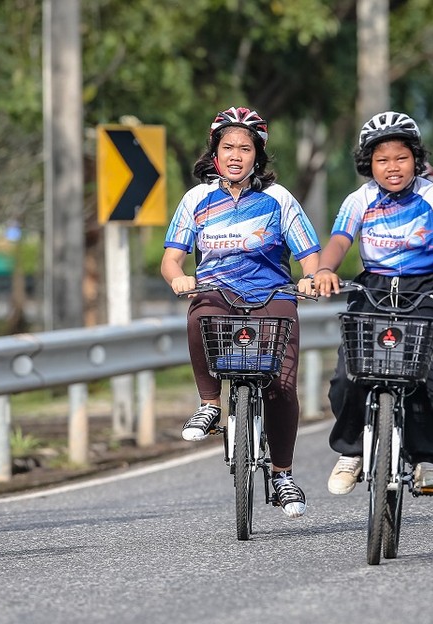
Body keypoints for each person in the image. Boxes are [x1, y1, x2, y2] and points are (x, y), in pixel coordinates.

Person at [161, 106, 321, 518]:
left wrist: (311, 277)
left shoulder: (278, 199)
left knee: (281, 384)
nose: (236, 155)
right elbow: (171, 259)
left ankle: (283, 475)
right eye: (228, 147)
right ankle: (210, 403)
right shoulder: (196, 199)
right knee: (199, 314)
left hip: (272, 295)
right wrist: (179, 277)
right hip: (217, 293)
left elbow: (309, 254)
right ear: (215, 153)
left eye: (245, 148)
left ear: (258, 155)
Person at [310, 111, 433, 495]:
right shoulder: (359, 199)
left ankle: (425, 460)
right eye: (382, 160)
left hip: (426, 289)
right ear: (368, 164)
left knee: (425, 373)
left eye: (401, 157)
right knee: (348, 373)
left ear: (416, 159)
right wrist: (325, 270)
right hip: (374, 287)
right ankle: (351, 451)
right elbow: (340, 239)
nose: (392, 167)